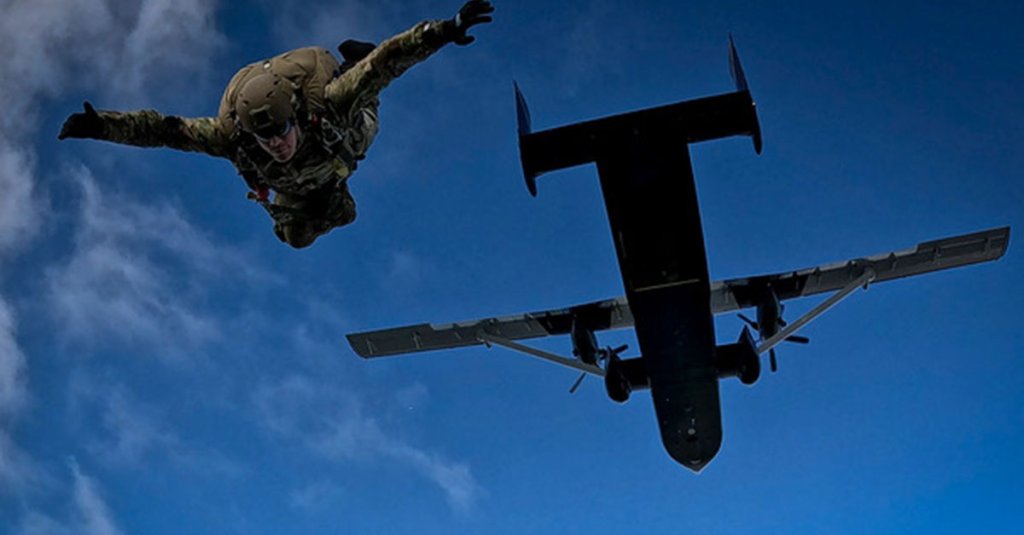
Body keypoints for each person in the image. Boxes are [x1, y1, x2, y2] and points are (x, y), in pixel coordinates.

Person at [59, 0, 494, 249]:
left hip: (337, 142)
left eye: (281, 131)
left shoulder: (326, 106)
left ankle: (349, 59)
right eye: (265, 137)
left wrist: (442, 31)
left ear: (296, 118)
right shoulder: (233, 140)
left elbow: (388, 63)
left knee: (363, 118)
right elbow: (164, 131)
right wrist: (102, 126)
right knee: (299, 235)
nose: (276, 143)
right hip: (302, 186)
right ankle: (319, 202)